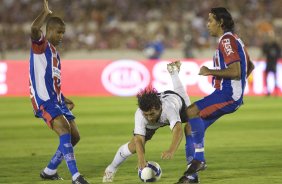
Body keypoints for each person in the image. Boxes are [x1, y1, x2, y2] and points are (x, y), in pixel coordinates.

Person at [176, 7, 254, 183]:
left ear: (221, 23)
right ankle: (191, 176)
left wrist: (210, 71)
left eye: (211, 20)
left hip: (226, 94)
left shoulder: (226, 40)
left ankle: (200, 159)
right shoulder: (235, 39)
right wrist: (240, 90)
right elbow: (250, 67)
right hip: (228, 94)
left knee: (190, 112)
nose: (207, 24)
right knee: (190, 128)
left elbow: (235, 71)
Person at [102, 61, 199, 183]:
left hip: (178, 104)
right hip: (159, 116)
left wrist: (171, 150)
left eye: (152, 114)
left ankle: (173, 72)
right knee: (132, 147)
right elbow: (139, 139)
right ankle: (111, 169)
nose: (149, 118)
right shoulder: (140, 114)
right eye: (146, 114)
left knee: (192, 124)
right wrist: (141, 159)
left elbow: (177, 130)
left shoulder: (168, 109)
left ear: (159, 108)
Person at [29, 1, 89, 184]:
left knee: (75, 137)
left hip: (56, 100)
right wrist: (45, 13)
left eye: (63, 33)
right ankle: (76, 177)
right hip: (44, 100)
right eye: (58, 32)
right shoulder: (41, 47)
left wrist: (63, 97)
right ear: (49, 31)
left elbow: (53, 81)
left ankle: (49, 171)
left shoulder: (55, 53)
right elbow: (33, 28)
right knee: (64, 128)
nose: (61, 36)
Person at [261, 31, 281, 96]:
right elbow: (264, 51)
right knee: (267, 77)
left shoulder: (276, 45)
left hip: (274, 63)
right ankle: (267, 91)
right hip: (268, 63)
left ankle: (275, 91)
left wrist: (276, 57)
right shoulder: (267, 45)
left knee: (275, 77)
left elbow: (279, 53)